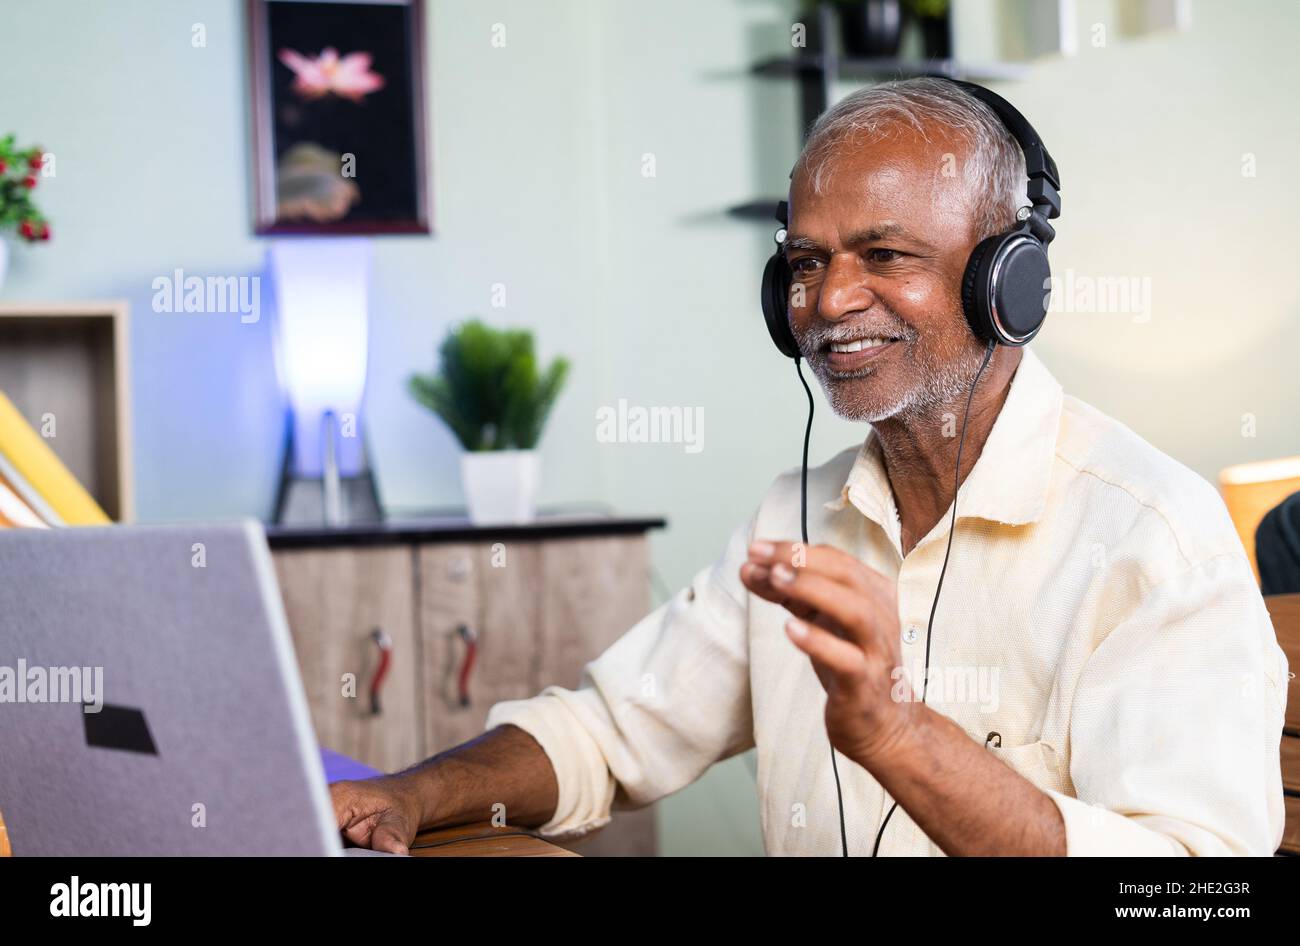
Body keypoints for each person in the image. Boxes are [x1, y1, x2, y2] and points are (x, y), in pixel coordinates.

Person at [333, 78, 1288, 856]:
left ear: (1010, 280)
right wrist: (407, 796)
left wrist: (899, 734)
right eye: (802, 261)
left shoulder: (1153, 534)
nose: (827, 299)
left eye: (884, 254)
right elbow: (610, 732)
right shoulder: (796, 513)